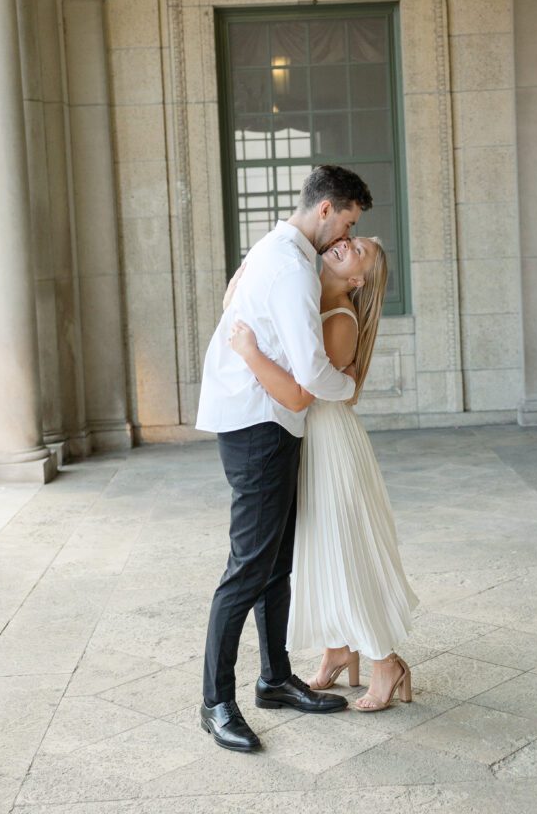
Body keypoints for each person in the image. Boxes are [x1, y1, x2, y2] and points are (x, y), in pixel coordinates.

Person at [196, 165, 373, 752]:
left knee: (275, 565)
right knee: (247, 567)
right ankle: (216, 703)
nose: (346, 234)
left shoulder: (274, 248)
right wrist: (350, 388)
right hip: (258, 424)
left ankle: (274, 679)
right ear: (326, 210)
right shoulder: (293, 267)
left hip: (271, 420)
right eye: (347, 220)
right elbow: (312, 375)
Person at [229, 234, 418, 714]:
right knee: (321, 548)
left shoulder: (339, 320)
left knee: (346, 549)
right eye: (353, 239)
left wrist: (251, 352)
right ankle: (339, 649)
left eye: (360, 250)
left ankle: (384, 661)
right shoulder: (311, 298)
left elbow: (302, 390)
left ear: (357, 279)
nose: (348, 244)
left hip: (331, 444)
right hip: (312, 442)